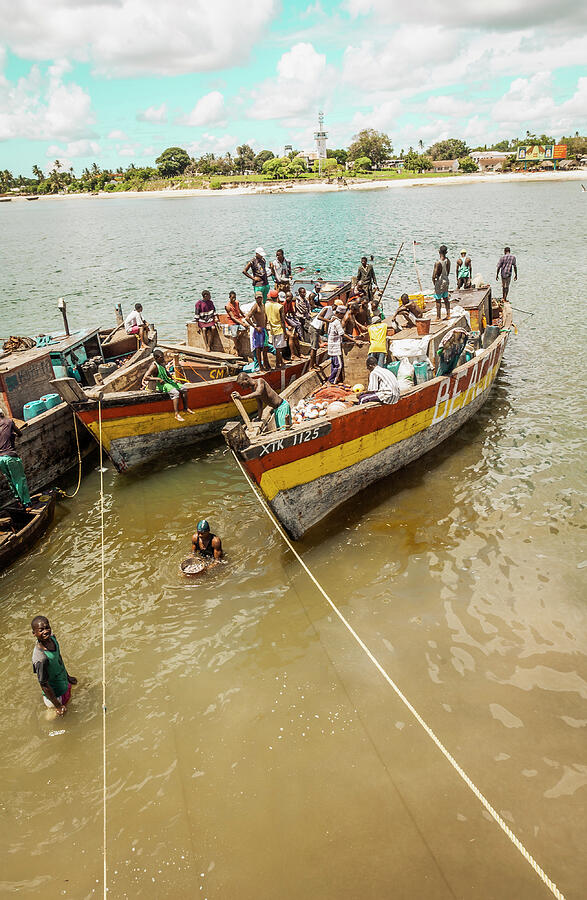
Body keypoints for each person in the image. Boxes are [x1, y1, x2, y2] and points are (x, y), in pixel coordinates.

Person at [31, 616, 77, 716]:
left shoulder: (53, 639)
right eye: (41, 630)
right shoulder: (41, 658)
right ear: (34, 633)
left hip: (64, 684)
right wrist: (58, 706)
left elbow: (58, 659)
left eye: (47, 627)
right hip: (56, 697)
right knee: (53, 718)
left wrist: (68, 677)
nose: (45, 631)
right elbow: (43, 684)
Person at [142, 349, 194, 421]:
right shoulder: (154, 366)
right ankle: (176, 414)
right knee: (175, 392)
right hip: (160, 385)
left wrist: (173, 378)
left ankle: (186, 408)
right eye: (161, 358)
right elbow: (146, 377)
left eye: (163, 357)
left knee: (184, 388)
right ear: (156, 358)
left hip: (167, 381)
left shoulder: (162, 363)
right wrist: (158, 379)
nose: (163, 359)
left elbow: (166, 372)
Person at [0, 410, 32, 510]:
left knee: (10, 481)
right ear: (2, 414)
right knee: (20, 480)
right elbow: (19, 433)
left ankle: (19, 501)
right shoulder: (9, 421)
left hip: (0, 459)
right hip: (10, 457)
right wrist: (14, 435)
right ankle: (26, 503)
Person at [328, 306, 357, 384]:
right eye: (343, 315)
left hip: (331, 345)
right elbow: (342, 334)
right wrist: (354, 341)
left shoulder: (331, 320)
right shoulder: (337, 322)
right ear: (340, 314)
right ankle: (332, 381)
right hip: (335, 347)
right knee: (339, 365)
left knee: (334, 364)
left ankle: (332, 380)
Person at [245, 293, 271, 371]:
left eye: (259, 297)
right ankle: (260, 366)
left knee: (265, 348)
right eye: (257, 298)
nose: (258, 299)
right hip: (258, 330)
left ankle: (266, 364)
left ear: (262, 298)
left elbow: (265, 317)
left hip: (263, 329)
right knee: (258, 349)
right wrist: (255, 327)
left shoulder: (263, 305)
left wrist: (266, 327)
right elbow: (247, 318)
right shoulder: (255, 307)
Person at [308, 303, 334, 369]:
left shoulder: (332, 312)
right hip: (314, 328)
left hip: (317, 329)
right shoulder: (327, 308)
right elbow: (319, 317)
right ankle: (311, 367)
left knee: (315, 349)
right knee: (314, 349)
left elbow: (327, 323)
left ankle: (314, 364)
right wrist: (329, 321)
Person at [265, 290, 287, 367]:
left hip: (272, 329)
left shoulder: (266, 305)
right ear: (277, 297)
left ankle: (280, 362)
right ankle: (278, 364)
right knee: (279, 349)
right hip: (279, 329)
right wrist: (285, 332)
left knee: (276, 347)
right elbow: (283, 321)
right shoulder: (280, 306)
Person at [432, 245, 451, 320]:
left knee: (438, 300)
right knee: (445, 298)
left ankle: (438, 317)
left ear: (439, 252)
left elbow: (434, 275)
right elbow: (448, 272)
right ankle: (448, 314)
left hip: (439, 281)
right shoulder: (448, 261)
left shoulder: (438, 263)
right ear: (446, 252)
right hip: (446, 280)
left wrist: (434, 283)